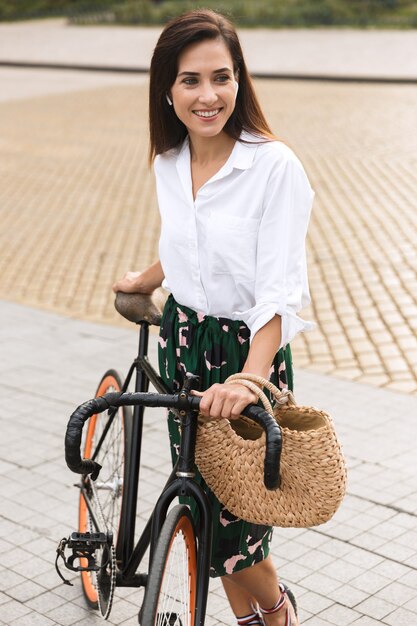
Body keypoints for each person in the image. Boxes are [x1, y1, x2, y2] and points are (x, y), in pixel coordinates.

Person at [113, 9, 315, 626]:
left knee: (240, 513)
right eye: (190, 80)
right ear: (167, 91)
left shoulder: (274, 167)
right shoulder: (168, 162)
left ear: (239, 80)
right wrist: (144, 280)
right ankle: (250, 621)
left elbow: (279, 291)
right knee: (201, 502)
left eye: (221, 77)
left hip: (244, 350)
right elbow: (187, 241)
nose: (208, 96)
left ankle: (277, 612)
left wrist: (250, 379)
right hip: (182, 339)